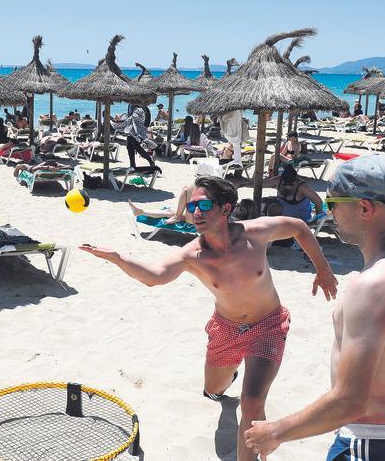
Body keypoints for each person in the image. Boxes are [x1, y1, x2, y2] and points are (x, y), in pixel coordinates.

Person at [82, 176, 338, 461]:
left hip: (268, 325)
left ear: (226, 209)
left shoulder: (256, 232)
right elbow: (154, 277)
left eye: (204, 205)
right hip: (226, 329)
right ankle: (223, 385)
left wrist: (323, 269)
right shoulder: (193, 254)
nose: (196, 213)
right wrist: (118, 258)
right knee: (213, 389)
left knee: (253, 402)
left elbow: (299, 228)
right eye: (192, 206)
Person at [244, 155, 385, 460]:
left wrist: (275, 432)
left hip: (372, 442)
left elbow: (350, 400)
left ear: (364, 207)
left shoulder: (374, 286)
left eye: (333, 202)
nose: (328, 211)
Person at [115, 102, 157, 171]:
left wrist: (143, 128)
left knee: (136, 146)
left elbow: (146, 116)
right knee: (129, 146)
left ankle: (150, 160)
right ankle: (133, 165)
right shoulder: (130, 104)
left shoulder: (139, 105)